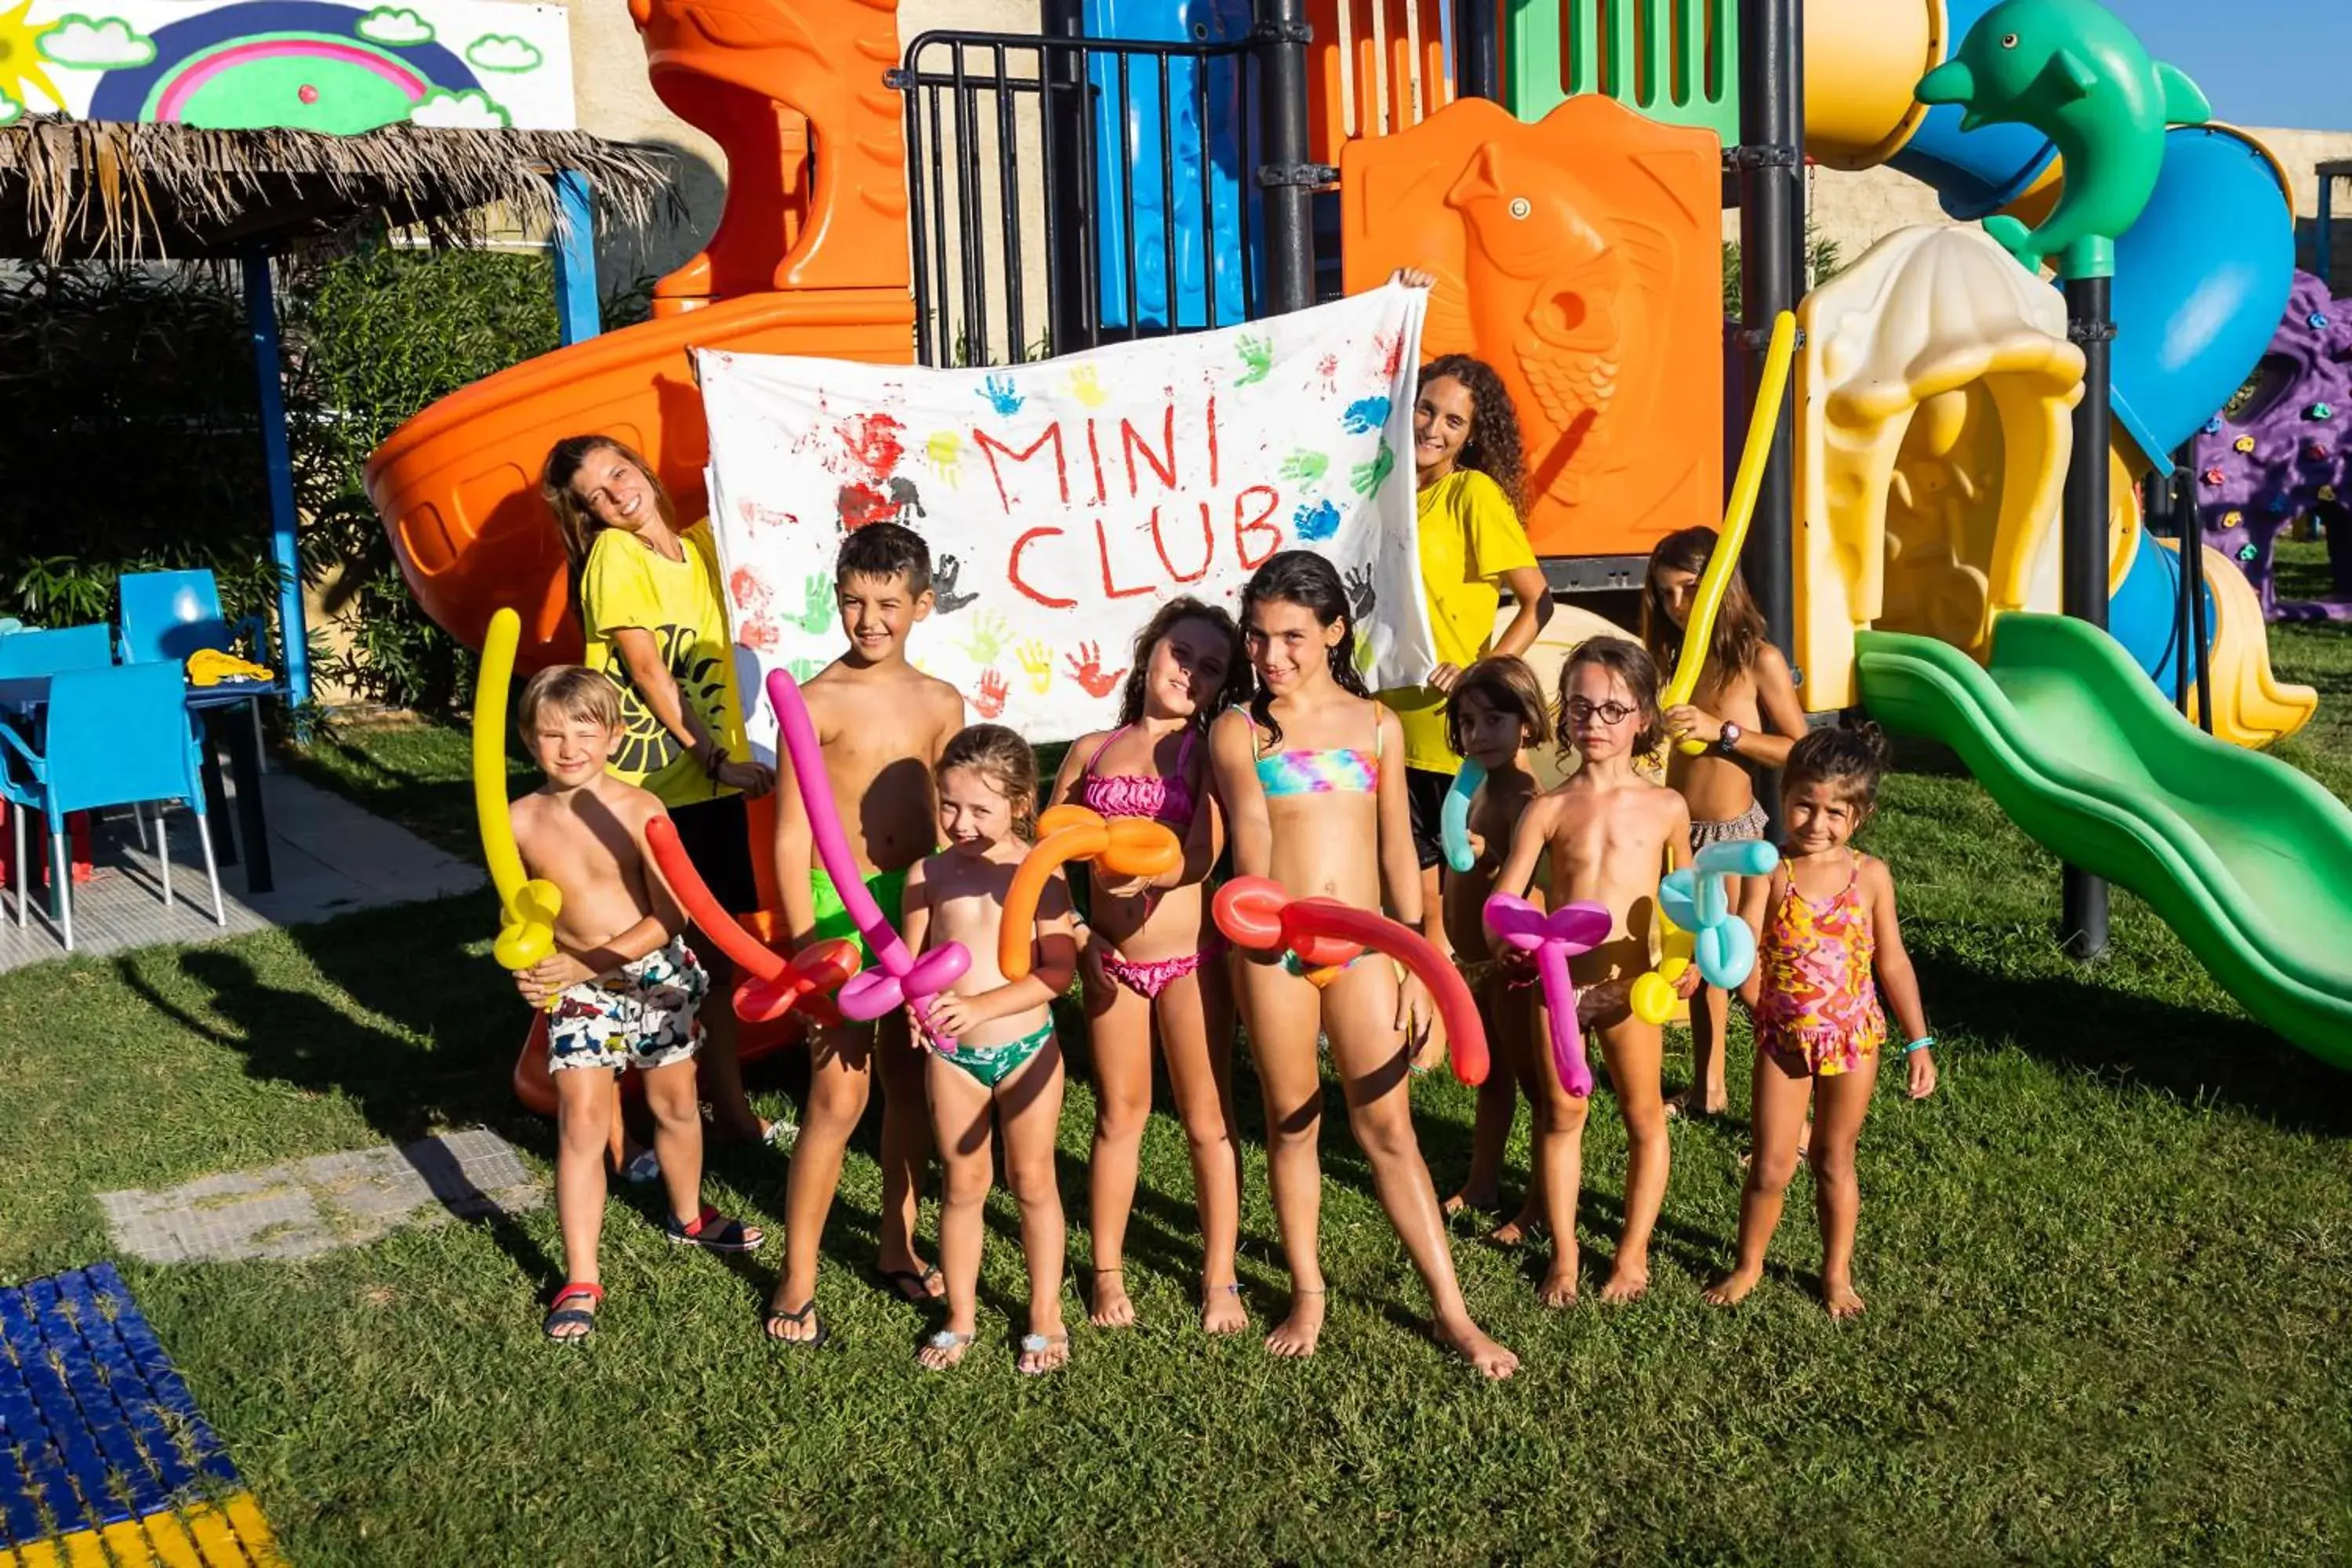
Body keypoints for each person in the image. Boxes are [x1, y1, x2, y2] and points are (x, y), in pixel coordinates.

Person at [1208, 551, 1518, 1378]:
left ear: (1335, 630)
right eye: (1259, 637)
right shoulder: (1240, 728)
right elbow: (1253, 838)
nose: (1272, 656)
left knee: (1389, 1127)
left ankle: (1453, 1310)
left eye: (1293, 637)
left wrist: (1423, 958)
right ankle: (1307, 1288)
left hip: (1371, 947)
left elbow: (1395, 851)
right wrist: (1269, 925)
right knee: (1293, 1120)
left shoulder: (1376, 723)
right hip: (1274, 945)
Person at [508, 667, 764, 1342]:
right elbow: (520, 915)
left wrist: (585, 961)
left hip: (652, 976)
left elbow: (671, 916)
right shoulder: (519, 820)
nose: (569, 748)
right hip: (576, 990)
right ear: (529, 741)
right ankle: (581, 1275)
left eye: (585, 732)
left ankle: (688, 1216)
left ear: (616, 736)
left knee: (675, 1105)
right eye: (551, 734)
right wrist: (530, 969)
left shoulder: (641, 809)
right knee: (581, 1125)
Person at [543, 434, 779, 1153]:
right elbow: (648, 673)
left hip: (701, 787)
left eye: (618, 472)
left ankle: (726, 1114)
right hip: (649, 789)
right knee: (639, 957)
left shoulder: (700, 549)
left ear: (643, 466)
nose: (615, 494)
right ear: (589, 516)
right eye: (595, 496)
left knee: (712, 954)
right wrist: (713, 760)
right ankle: (627, 1136)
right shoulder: (616, 557)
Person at [764, 522, 967, 1348]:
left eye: (889, 602)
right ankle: (798, 1273)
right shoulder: (813, 702)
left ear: (923, 604)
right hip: (838, 913)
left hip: (915, 907)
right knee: (836, 1094)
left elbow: (955, 825)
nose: (869, 618)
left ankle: (896, 1239)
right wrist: (806, 942)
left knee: (908, 1081)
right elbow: (788, 835)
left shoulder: (942, 701)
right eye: (854, 601)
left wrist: (956, 917)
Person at [1047, 598, 1253, 1335]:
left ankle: (1220, 1274)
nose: (1189, 674)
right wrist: (1077, 928)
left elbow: (1202, 852)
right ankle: (1105, 1270)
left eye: (1210, 668)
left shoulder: (1209, 754)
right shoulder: (1090, 749)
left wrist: (1150, 877)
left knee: (1208, 1120)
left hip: (1192, 961)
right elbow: (1047, 855)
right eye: (1180, 654)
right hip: (1113, 968)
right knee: (1119, 1117)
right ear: (1149, 652)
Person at [1490, 637, 1697, 1304]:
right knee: (1560, 1117)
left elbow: (1683, 901)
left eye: (1613, 709)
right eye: (1580, 706)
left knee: (1644, 1117)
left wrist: (1686, 961)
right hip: (1562, 987)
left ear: (1643, 718)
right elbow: (1509, 895)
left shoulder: (1667, 807)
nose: (1595, 722)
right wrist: (1507, 942)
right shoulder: (1548, 808)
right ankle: (1567, 1256)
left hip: (1634, 987)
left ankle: (1632, 1255)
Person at [1707, 726, 1938, 1319]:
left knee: (1835, 1160)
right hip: (1784, 1043)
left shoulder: (1872, 877)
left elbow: (1893, 961)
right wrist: (1759, 1004)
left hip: (1855, 1041)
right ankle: (1749, 1264)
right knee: (1772, 1165)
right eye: (1804, 804)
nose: (1816, 822)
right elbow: (1746, 944)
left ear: (1860, 816)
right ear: (1784, 797)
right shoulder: (1771, 871)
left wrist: (1919, 1041)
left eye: (1835, 811)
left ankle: (1836, 1275)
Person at [1381, 275, 1555, 964]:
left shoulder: (1471, 493)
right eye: (1425, 409)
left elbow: (1537, 598)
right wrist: (1398, 311)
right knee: (1411, 887)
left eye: (1453, 422)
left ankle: (1518, 991)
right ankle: (1430, 1009)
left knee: (1474, 877)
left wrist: (1483, 675)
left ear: (1471, 439)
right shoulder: (1381, 487)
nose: (1432, 428)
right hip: (1387, 718)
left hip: (1452, 727)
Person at [902, 725, 1081, 1373]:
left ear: (1019, 804)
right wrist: (917, 1011)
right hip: (955, 1059)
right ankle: (961, 1316)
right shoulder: (927, 874)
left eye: (980, 808)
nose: (960, 822)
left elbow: (1058, 973)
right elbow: (913, 965)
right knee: (963, 1185)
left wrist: (980, 1006)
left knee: (1032, 1181)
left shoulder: (1038, 874)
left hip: (1026, 1047)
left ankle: (1044, 1314)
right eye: (948, 804)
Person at [1642, 524, 1807, 1119]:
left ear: (1718, 587)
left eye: (1688, 590)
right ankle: (1708, 1086)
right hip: (1680, 836)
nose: (1676, 606)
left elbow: (1800, 748)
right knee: (1704, 971)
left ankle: (1800, 1104)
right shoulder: (1673, 659)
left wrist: (1725, 733)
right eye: (1664, 595)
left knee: (1742, 973)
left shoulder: (1756, 660)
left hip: (1733, 838)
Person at [1435, 656, 1552, 1248]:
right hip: (1475, 960)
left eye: (1495, 720)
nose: (1478, 735)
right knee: (1492, 1078)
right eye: (1469, 722)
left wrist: (1487, 858)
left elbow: (1533, 887)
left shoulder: (1525, 797)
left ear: (1528, 723)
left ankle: (1539, 1203)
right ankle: (1483, 1181)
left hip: (1512, 964)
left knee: (1535, 1087)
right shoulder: (1480, 783)